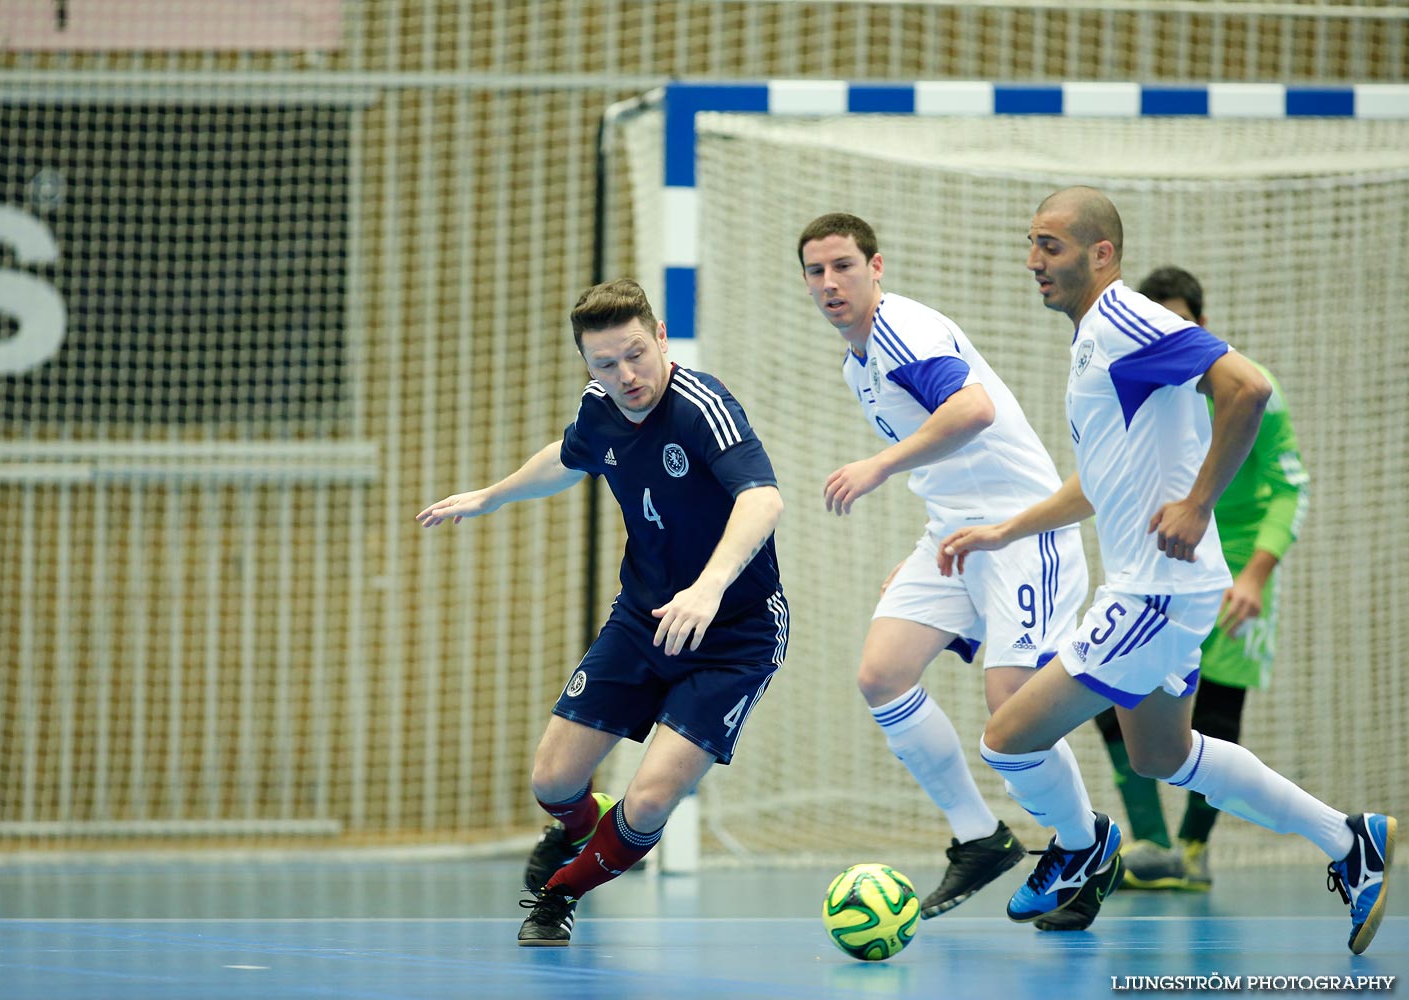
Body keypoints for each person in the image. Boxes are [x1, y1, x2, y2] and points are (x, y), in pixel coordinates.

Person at [938, 186, 1394, 953]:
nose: (1033, 261)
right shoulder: (1091, 341)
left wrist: (1197, 502)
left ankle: (1082, 847)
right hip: (1161, 589)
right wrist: (1004, 529)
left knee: (1007, 738)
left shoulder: (1128, 320)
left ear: (1101, 253)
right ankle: (1351, 841)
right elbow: (1100, 481)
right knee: (1164, 755)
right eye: (1032, 244)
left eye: (1050, 245)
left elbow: (1247, 389)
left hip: (1157, 589)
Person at [417, 278, 788, 947]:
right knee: (553, 779)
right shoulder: (602, 407)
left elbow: (762, 498)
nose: (627, 375)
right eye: (606, 364)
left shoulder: (703, 406)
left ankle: (560, 893)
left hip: (735, 633)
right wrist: (492, 495)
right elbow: (569, 457)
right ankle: (584, 830)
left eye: (636, 355)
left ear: (661, 340)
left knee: (648, 800)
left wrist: (708, 588)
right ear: (589, 366)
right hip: (644, 618)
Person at [797, 213, 1118, 929]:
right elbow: (951, 459)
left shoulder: (900, 330)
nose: (830, 283)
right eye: (816, 272)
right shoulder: (857, 362)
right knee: (882, 674)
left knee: (1014, 717)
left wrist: (877, 465)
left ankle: (1083, 846)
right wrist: (920, 546)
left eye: (843, 266)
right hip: (952, 537)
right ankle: (980, 838)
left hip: (1021, 532)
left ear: (876, 267)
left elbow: (970, 410)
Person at [1094, 267, 1311, 893]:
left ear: (1201, 324)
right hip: (1162, 563)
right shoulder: (1143, 388)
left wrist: (1255, 576)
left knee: (1215, 710)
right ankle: (1151, 843)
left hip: (1236, 565)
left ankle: (1192, 849)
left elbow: (1291, 490)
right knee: (1110, 695)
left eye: (1180, 320)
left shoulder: (1246, 388)